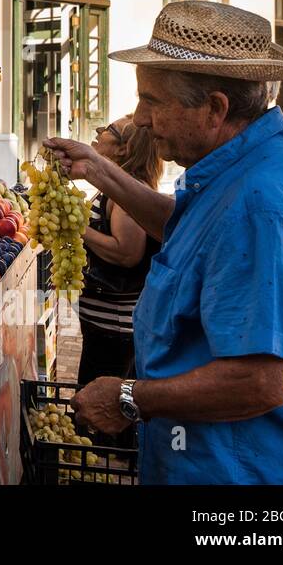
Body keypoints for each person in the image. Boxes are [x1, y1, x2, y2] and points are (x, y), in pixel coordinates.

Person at [46, 1, 283, 484]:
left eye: (152, 100)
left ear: (215, 108)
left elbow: (260, 380)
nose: (142, 119)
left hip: (257, 474)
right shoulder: (257, 156)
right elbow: (194, 228)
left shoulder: (262, 203)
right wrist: (98, 170)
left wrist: (130, 399)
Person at [76, 116, 163, 386]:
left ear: (123, 148)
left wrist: (78, 229)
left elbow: (127, 252)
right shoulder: (122, 188)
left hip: (114, 328)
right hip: (107, 325)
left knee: (101, 407)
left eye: (107, 130)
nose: (99, 132)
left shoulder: (126, 195)